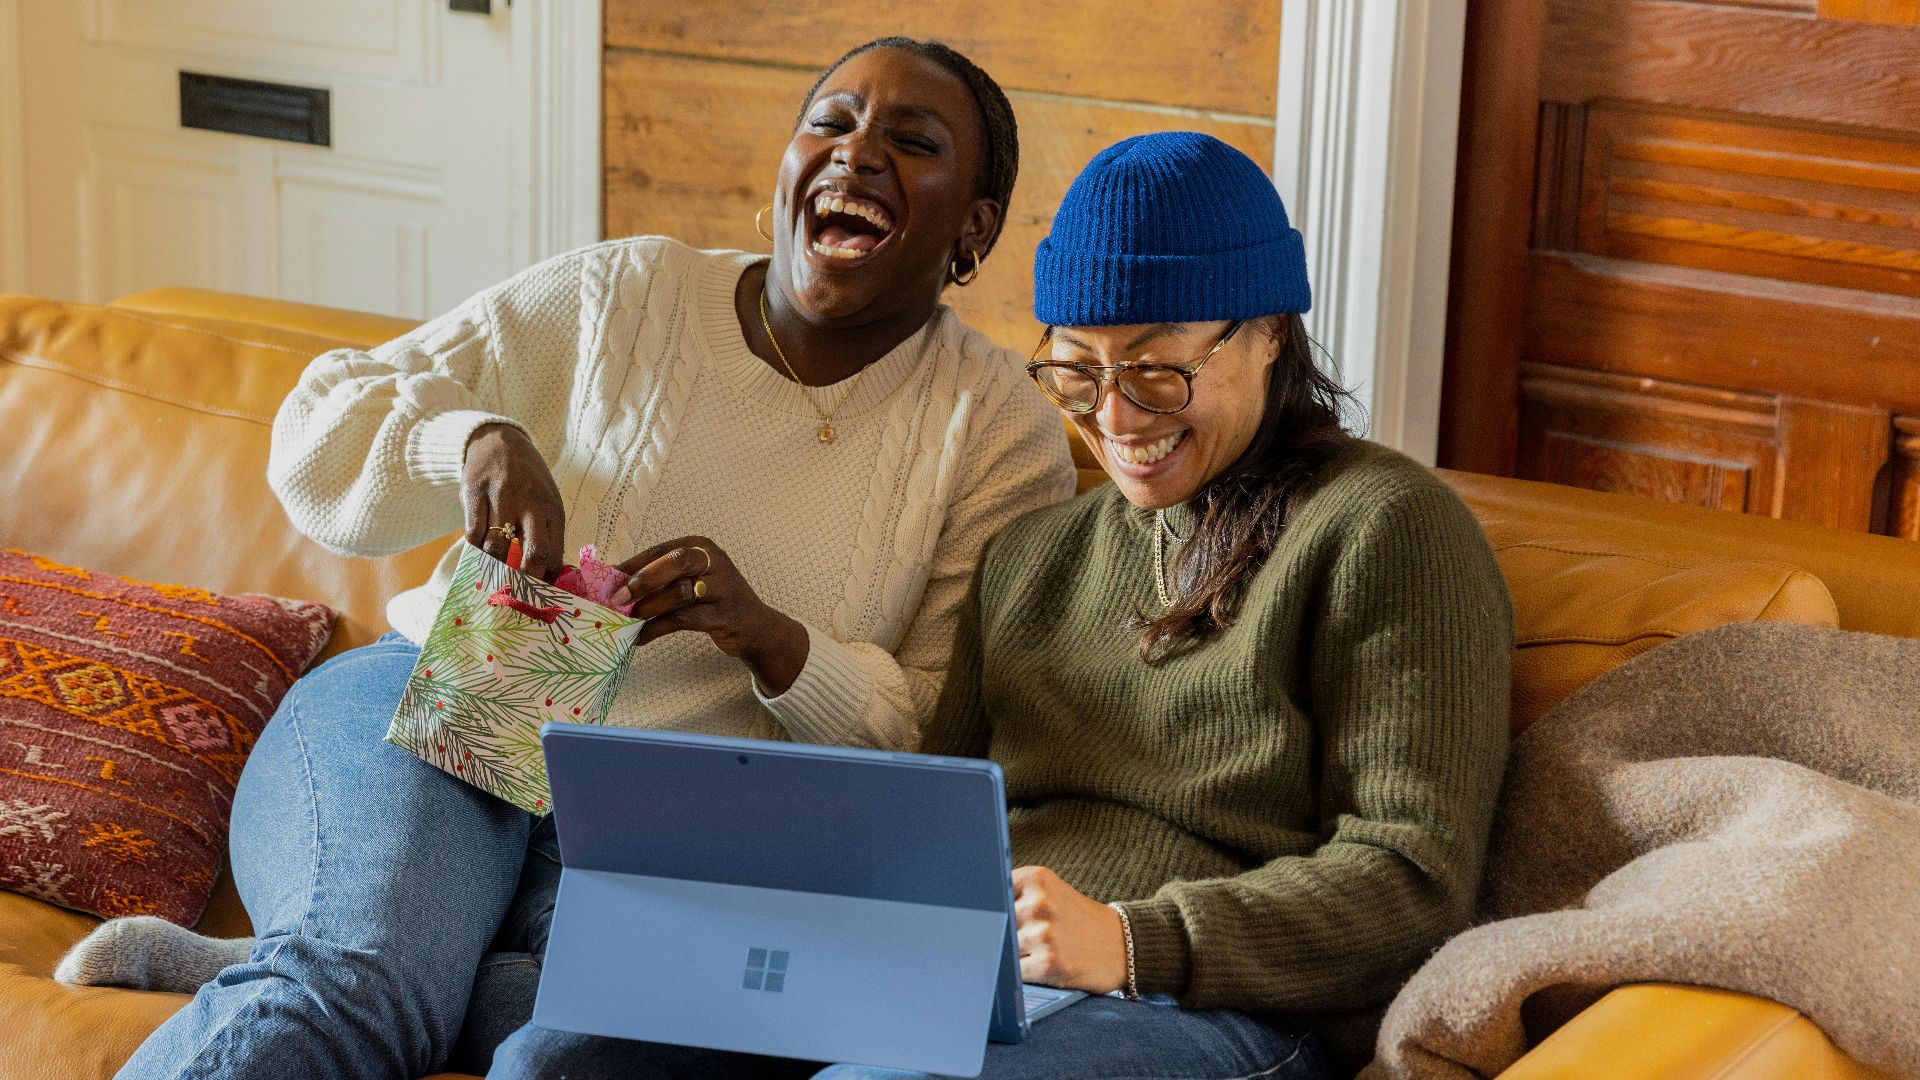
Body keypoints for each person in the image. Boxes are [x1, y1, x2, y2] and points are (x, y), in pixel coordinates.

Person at [56, 37, 1075, 1080]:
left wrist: (777, 646)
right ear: (788, 164)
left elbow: (942, 740)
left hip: (676, 832)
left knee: (612, 1032)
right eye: (832, 123)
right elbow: (317, 426)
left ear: (973, 226)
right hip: (457, 699)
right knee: (352, 993)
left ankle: (322, 956)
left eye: (911, 143)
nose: (857, 155)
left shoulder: (999, 433)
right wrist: (469, 440)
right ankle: (341, 961)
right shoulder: (626, 295)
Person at [489, 131, 1513, 1080]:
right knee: (557, 1057)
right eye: (1077, 371)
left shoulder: (1385, 528)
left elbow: (1412, 879)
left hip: (1209, 1003)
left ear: (1268, 334)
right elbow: (932, 816)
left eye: (1156, 371)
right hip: (961, 967)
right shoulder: (1031, 556)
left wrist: (1133, 939)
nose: (1113, 421)